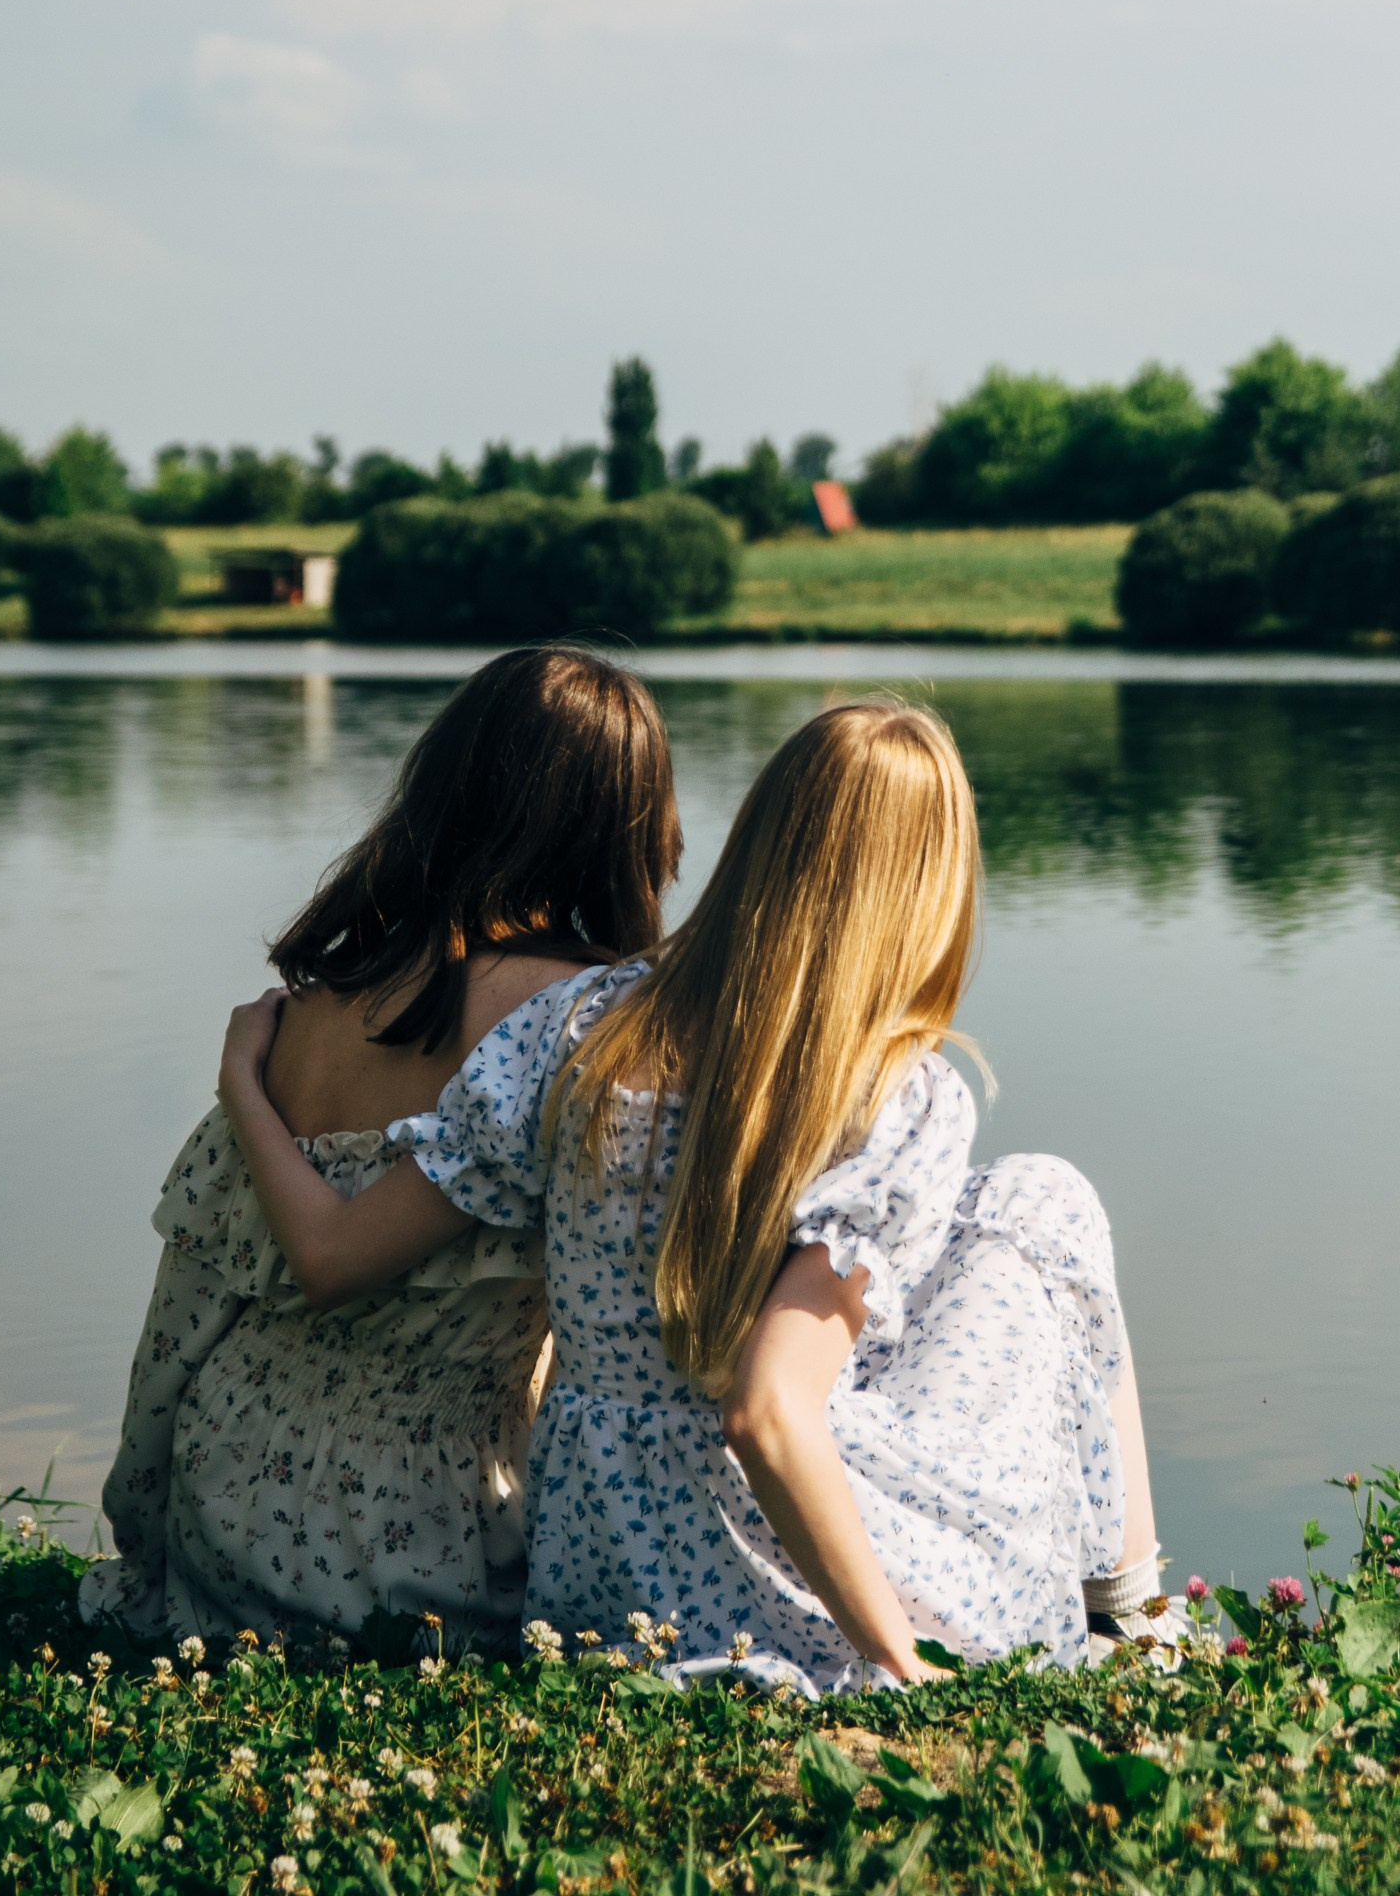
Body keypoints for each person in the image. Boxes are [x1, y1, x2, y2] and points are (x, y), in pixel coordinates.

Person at [218, 698, 1165, 1691]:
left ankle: (1130, 1606)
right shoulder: (896, 1089)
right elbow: (765, 1413)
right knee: (1043, 1196)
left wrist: (246, 1085)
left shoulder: (576, 1027)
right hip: (798, 1584)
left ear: (758, 838)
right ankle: (1134, 1610)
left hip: (601, 1588)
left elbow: (327, 1257)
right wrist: (899, 1659)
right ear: (929, 887)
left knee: (980, 1219)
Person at [82, 645, 681, 1648]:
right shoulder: (592, 1025)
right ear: (629, 822)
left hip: (223, 1522)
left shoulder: (306, 1012)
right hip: (426, 1548)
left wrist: (146, 1533)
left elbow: (180, 1322)